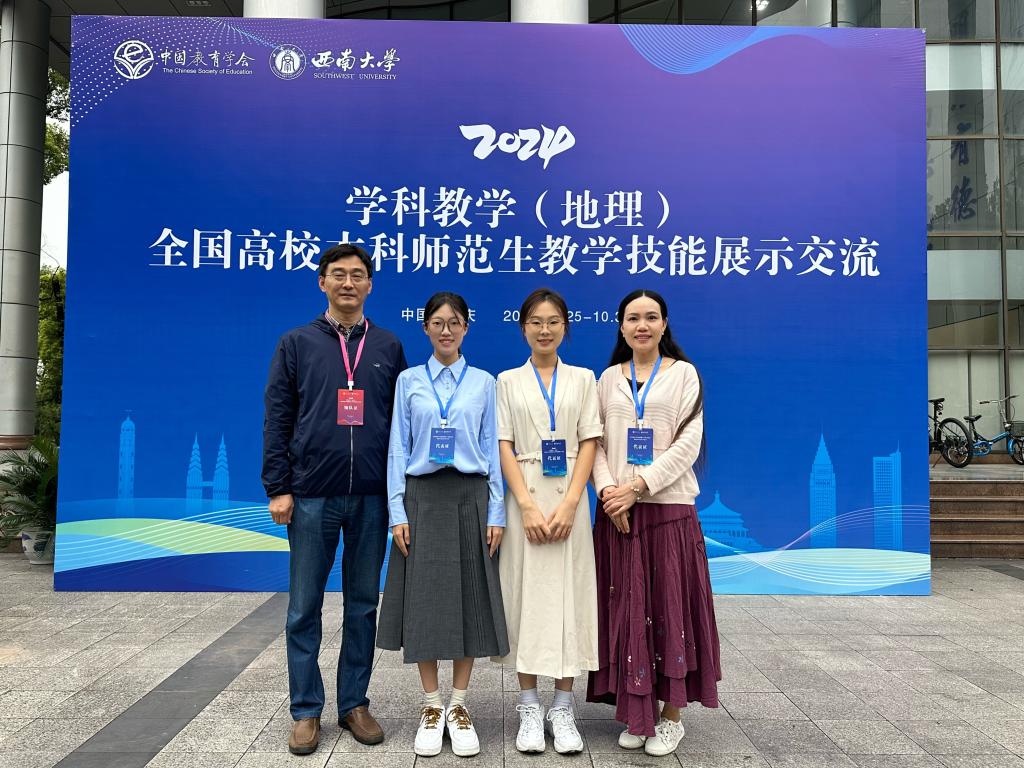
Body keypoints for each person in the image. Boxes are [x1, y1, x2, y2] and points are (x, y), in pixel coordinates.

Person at [262, 243, 407, 756]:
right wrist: (279, 487)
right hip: (312, 495)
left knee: (363, 606)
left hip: (370, 496)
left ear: (370, 285)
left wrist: (400, 494)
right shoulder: (297, 343)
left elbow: (401, 425)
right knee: (303, 607)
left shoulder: (388, 346)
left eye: (358, 275)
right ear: (322, 282)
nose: (349, 283)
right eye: (339, 274)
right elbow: (278, 418)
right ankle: (305, 710)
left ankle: (353, 703)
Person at [587, 288, 721, 756]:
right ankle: (637, 711)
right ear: (621, 326)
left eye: (650, 317)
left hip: (667, 512)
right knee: (628, 613)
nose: (641, 325)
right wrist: (609, 492)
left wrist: (638, 487)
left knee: (670, 611)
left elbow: (688, 443)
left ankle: (671, 716)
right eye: (632, 318)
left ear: (664, 324)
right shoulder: (608, 379)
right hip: (617, 515)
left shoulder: (684, 374)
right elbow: (595, 442)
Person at [377, 291, 509, 758]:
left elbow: (493, 448)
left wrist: (496, 512)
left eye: (454, 322)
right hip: (423, 498)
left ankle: (459, 704)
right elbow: (398, 446)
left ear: (466, 328)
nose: (446, 330)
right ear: (426, 328)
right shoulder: (409, 381)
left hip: (471, 497)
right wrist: (397, 511)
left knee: (470, 596)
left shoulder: (484, 382)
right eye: (438, 322)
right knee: (427, 600)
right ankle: (432, 705)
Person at [494, 288, 601, 755]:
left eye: (553, 321)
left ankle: (563, 705)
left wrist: (573, 501)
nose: (544, 330)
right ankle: (528, 705)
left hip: (570, 501)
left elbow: (591, 439)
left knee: (568, 597)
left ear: (565, 328)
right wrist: (526, 505)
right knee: (526, 597)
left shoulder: (583, 378)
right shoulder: (507, 381)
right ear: (523, 328)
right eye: (536, 322)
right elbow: (503, 443)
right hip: (526, 500)